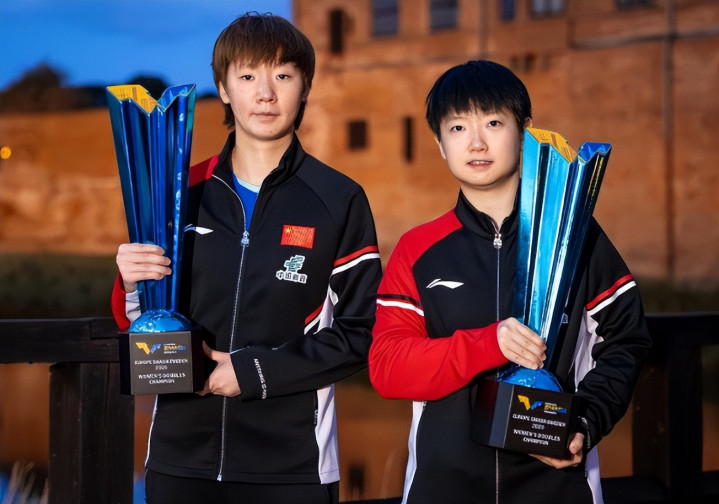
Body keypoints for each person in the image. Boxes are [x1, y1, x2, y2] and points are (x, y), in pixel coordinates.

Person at [111, 12, 382, 504]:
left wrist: (255, 372)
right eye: (248, 76)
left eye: (283, 76)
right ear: (223, 88)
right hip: (179, 463)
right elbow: (140, 322)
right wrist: (132, 282)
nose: (266, 93)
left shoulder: (339, 200)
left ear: (305, 86)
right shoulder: (180, 194)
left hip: (292, 469)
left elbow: (362, 331)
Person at [368, 60, 651, 504]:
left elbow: (626, 340)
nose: (476, 142)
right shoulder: (417, 250)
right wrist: (490, 343)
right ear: (440, 144)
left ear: (524, 133)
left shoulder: (575, 234)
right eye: (457, 127)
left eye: (494, 123)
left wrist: (585, 423)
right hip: (444, 490)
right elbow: (387, 367)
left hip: (559, 489)